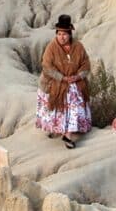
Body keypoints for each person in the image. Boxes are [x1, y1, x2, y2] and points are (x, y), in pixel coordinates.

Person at [36, 14, 92, 149]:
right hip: (55, 81)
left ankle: (68, 134)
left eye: (65, 34)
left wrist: (78, 76)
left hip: (74, 81)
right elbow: (47, 67)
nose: (62, 37)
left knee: (75, 95)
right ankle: (61, 128)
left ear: (70, 34)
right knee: (66, 95)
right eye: (59, 34)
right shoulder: (51, 47)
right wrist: (62, 78)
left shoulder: (78, 47)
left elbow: (86, 64)